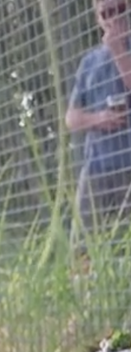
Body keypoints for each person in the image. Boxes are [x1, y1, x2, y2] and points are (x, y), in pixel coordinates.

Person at [66, 0, 131, 233]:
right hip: (96, 166)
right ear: (98, 19)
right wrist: (98, 119)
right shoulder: (88, 62)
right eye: (107, 12)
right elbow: (71, 118)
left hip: (128, 164)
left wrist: (118, 50)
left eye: (120, 9)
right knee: (83, 244)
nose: (114, 18)